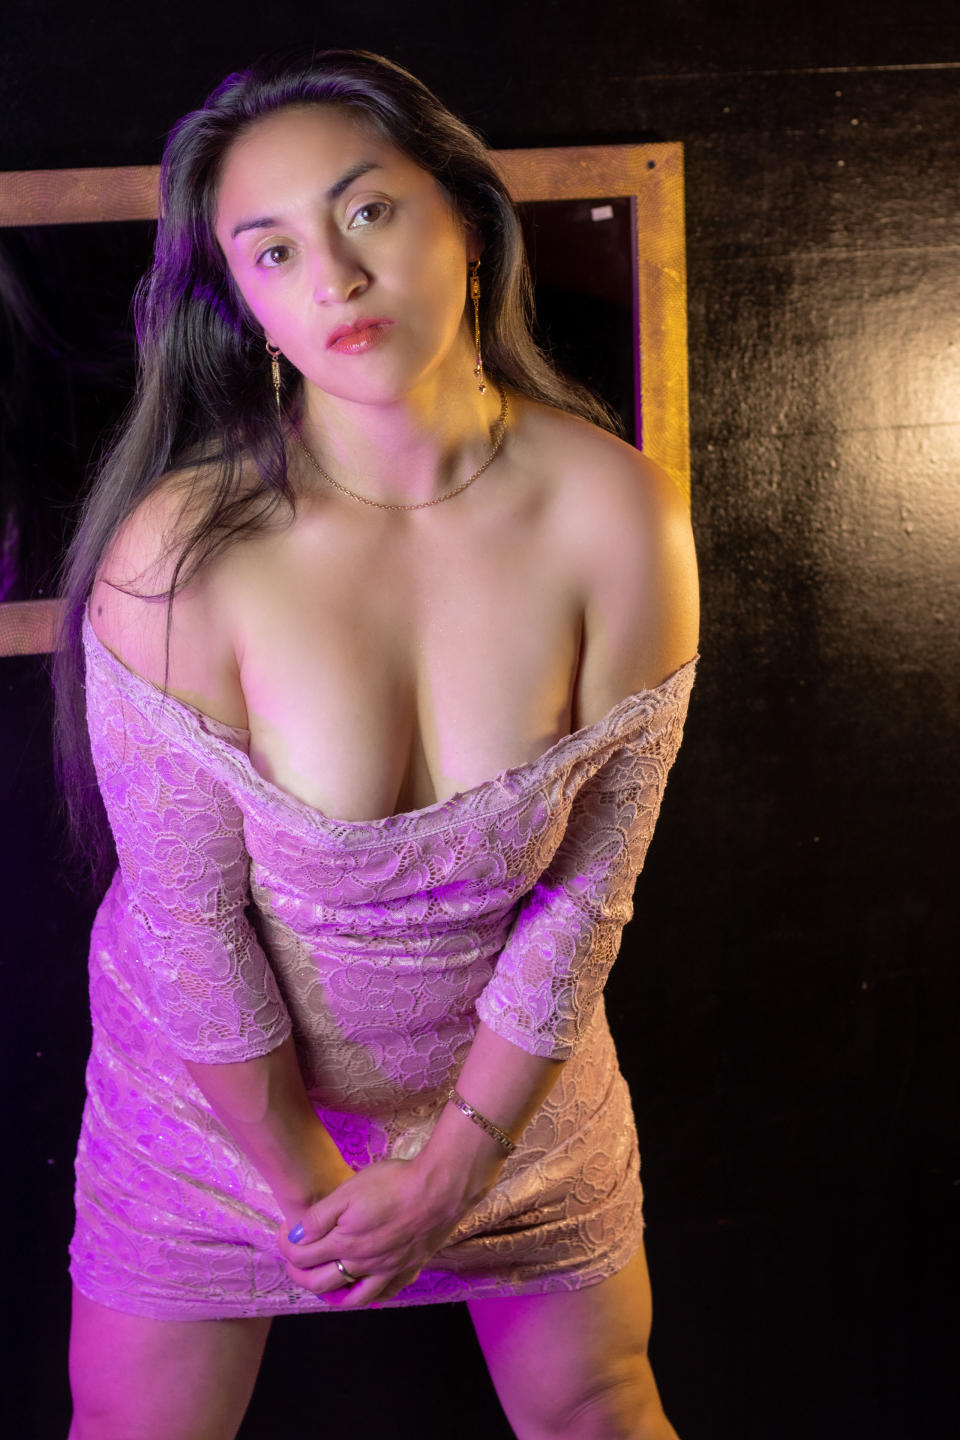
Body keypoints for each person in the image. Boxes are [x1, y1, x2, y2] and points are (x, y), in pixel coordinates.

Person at [53, 46, 700, 1440]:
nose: (335, 279)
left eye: (368, 211)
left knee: (601, 1405)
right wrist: (317, 1198)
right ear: (243, 302)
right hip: (219, 1118)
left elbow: (586, 894)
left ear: (463, 216)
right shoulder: (180, 556)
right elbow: (189, 926)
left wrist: (457, 1166)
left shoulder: (620, 520)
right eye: (273, 251)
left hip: (511, 1101)